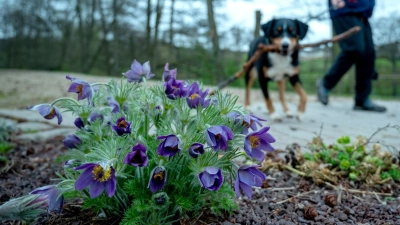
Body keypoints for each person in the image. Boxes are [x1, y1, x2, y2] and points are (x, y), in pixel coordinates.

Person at [317, 0, 386, 112]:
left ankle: (362, 99)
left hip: (363, 12)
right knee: (355, 49)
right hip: (344, 9)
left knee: (368, 53)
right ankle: (325, 83)